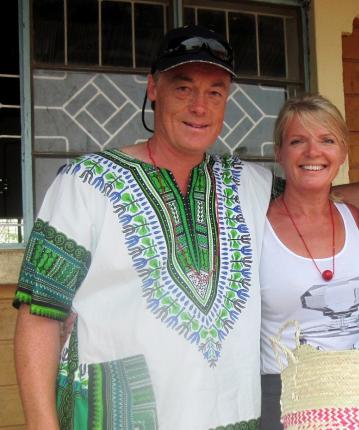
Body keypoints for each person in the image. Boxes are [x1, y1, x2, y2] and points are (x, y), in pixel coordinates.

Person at [13, 25, 272, 429]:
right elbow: (40, 312)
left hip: (228, 415)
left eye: (215, 92)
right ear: (154, 88)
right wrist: (40, 424)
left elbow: (321, 198)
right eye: (183, 89)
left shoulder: (251, 185)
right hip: (118, 416)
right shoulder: (85, 182)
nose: (199, 107)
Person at [259, 95, 359, 429]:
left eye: (327, 140)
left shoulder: (354, 217)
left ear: (342, 153)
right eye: (298, 141)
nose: (313, 153)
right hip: (287, 396)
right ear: (279, 153)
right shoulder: (256, 228)